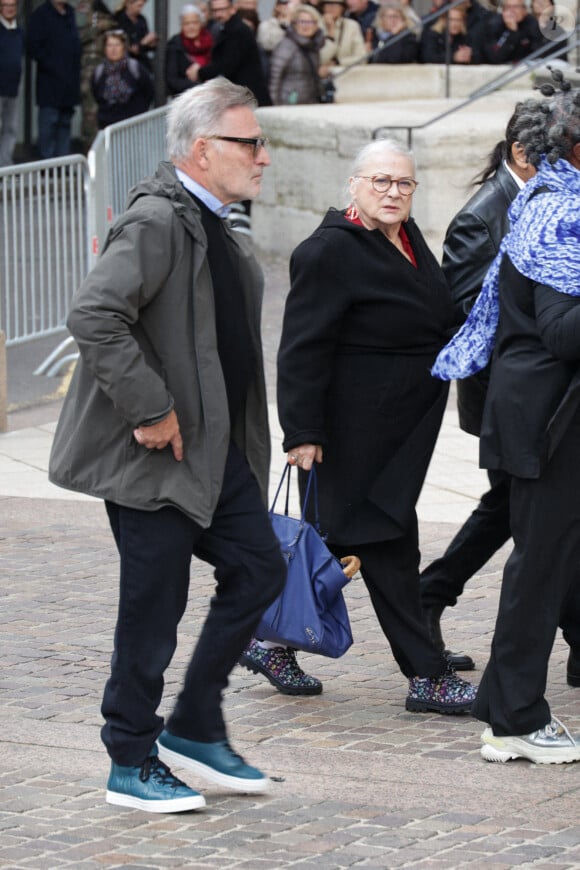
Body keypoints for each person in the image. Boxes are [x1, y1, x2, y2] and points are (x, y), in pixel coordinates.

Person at [48, 77, 287, 811]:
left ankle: (193, 723)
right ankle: (129, 757)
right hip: (156, 458)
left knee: (260, 569)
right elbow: (94, 315)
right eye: (250, 142)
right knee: (153, 609)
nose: (263, 157)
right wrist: (151, 408)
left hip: (215, 457)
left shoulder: (215, 223)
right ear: (204, 149)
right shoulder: (157, 221)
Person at [246, 139, 478, 714]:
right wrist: (301, 431)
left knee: (347, 544)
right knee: (384, 545)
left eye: (403, 183)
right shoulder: (328, 251)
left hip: (397, 430)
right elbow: (301, 350)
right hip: (348, 434)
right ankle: (424, 675)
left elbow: (437, 310)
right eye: (380, 182)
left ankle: (266, 637)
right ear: (353, 185)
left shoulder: (405, 238)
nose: (393, 193)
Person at [432, 78, 580, 763]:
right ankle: (517, 718)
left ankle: (505, 703)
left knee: (549, 564)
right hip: (548, 423)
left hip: (552, 419)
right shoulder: (555, 216)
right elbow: (560, 333)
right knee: (540, 567)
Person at [419, 103, 538, 670]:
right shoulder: (483, 216)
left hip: (539, 392)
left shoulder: (546, 203)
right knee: (517, 510)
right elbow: (468, 316)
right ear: (521, 151)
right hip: (504, 396)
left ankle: (431, 596)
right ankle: (430, 595)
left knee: (529, 512)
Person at [27, 0, 81, 160]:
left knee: (65, 124)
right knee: (49, 124)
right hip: (50, 82)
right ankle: (47, 164)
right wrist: (53, 65)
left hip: (70, 83)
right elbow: (33, 47)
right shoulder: (41, 15)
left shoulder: (71, 13)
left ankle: (62, 163)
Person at [190, 0, 271, 106]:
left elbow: (226, 64)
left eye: (222, 10)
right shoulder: (223, 28)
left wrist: (199, 73)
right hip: (240, 95)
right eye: (214, 10)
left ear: (232, 8)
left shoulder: (237, 31)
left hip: (247, 96)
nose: (218, 14)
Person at [92, 29, 153, 127]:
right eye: (109, 45)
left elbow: (148, 91)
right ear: (104, 48)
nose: (113, 49)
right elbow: (96, 94)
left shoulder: (134, 67)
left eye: (117, 45)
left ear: (123, 47)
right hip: (107, 124)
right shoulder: (99, 71)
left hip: (133, 124)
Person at [77, 0, 116, 151]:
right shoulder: (82, 9)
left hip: (106, 65)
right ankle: (89, 150)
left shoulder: (104, 8)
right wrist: (97, 28)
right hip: (88, 65)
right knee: (89, 111)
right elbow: (77, 36)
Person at [269, 4, 325, 105]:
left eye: (311, 22)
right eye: (302, 21)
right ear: (294, 24)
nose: (306, 26)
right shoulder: (286, 45)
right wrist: (275, 107)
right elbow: (274, 79)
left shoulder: (313, 47)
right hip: (288, 103)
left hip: (310, 102)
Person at [165, 4, 213, 96]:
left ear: (201, 23)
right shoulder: (175, 45)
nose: (191, 27)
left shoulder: (210, 40)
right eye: (186, 23)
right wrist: (201, 87)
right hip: (189, 97)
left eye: (195, 23)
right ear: (181, 25)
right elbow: (173, 80)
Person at [0, 0, 24, 166]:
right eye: (5, 5)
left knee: (10, 129)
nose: (9, 8)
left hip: (13, 88)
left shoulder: (19, 31)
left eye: (12, 5)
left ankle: (5, 165)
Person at [319, 0, 366, 75]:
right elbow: (318, 58)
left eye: (336, 5)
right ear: (323, 7)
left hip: (346, 75)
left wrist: (338, 62)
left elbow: (362, 58)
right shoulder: (316, 26)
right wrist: (331, 33)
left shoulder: (352, 26)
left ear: (342, 8)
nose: (332, 8)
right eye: (328, 4)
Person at [114, 0, 157, 72]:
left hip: (142, 62)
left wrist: (151, 43)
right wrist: (143, 42)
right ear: (129, 4)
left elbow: (145, 45)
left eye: (142, 6)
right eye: (138, 6)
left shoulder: (141, 19)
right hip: (125, 63)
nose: (140, 9)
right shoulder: (119, 19)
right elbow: (129, 48)